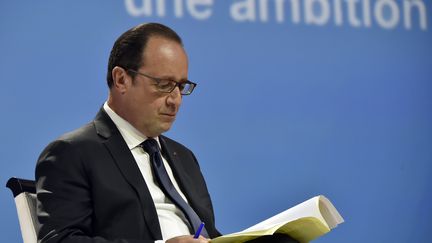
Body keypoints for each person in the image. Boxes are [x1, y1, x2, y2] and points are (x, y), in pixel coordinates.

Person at [35, 23, 298, 243]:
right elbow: (60, 240)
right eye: (163, 85)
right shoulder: (72, 152)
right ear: (121, 79)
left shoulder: (183, 156)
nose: (176, 100)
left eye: (181, 86)